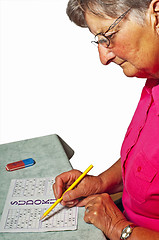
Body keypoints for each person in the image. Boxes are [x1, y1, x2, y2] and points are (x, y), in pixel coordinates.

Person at [53, 0, 159, 239]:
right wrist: (101, 183)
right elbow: (147, 165)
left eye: (107, 36)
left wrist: (118, 228)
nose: (103, 58)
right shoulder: (153, 80)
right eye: (98, 39)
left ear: (157, 14)